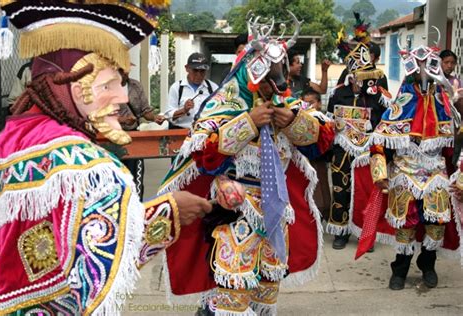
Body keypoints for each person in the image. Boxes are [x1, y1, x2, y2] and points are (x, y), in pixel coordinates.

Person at [0, 1, 212, 314]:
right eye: (109, 84)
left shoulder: (7, 148)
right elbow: (99, 260)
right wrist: (171, 212)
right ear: (72, 87)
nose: (122, 98)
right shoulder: (93, 169)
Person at [158, 12, 334, 315]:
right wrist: (248, 123)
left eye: (278, 80)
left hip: (276, 212)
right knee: (233, 291)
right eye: (266, 81)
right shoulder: (224, 104)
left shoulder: (286, 105)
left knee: (267, 290)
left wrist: (292, 121)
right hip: (234, 209)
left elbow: (323, 138)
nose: (273, 88)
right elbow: (204, 152)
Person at [369, 39, 462, 290]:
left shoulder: (445, 100)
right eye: (417, 66)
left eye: (427, 65)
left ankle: (427, 264)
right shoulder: (402, 100)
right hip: (404, 170)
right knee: (405, 225)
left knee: (436, 225)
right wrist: (380, 173)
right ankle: (399, 269)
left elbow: (458, 141)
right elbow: (379, 141)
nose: (422, 71)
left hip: (435, 169)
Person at [326, 14, 392, 250]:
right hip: (342, 146)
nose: (360, 79)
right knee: (340, 188)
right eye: (356, 75)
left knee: (365, 191)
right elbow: (330, 117)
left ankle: (366, 231)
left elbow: (387, 115)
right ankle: (341, 231)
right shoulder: (339, 93)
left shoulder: (377, 92)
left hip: (366, 148)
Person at [118, 70, 164, 199]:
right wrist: (122, 120)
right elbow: (100, 115)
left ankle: (137, 205)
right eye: (121, 70)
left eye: (126, 70)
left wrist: (154, 118)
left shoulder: (135, 86)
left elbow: (145, 110)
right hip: (113, 137)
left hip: (134, 137)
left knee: (136, 176)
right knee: (118, 176)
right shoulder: (106, 86)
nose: (124, 73)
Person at [165, 53, 218, 129]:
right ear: (187, 68)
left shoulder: (213, 88)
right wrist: (184, 110)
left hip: (205, 132)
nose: (198, 75)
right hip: (181, 132)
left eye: (202, 71)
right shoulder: (176, 88)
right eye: (195, 70)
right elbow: (168, 116)